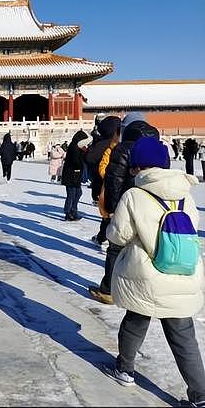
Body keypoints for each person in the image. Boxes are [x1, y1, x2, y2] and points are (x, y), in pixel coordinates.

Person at [101, 137, 205, 405]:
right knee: (184, 337)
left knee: (135, 322)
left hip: (146, 274)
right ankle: (200, 395)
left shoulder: (134, 195)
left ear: (137, 167)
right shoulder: (186, 195)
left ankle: (124, 369)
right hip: (183, 273)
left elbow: (118, 235)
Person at [89, 112, 161, 304]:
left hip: (126, 204)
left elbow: (114, 180)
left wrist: (111, 209)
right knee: (145, 249)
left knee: (115, 249)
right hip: (153, 206)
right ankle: (142, 291)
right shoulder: (158, 146)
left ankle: (109, 290)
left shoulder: (123, 148)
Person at [61, 131, 90, 221]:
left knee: (78, 193)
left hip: (75, 175)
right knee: (71, 194)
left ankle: (73, 210)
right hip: (70, 175)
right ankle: (68, 212)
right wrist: (84, 153)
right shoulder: (74, 147)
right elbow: (76, 162)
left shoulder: (77, 147)